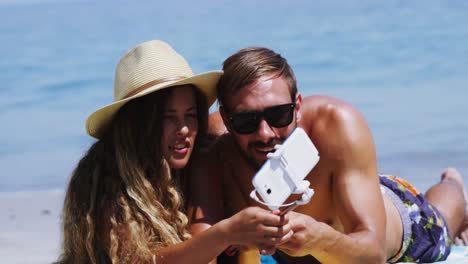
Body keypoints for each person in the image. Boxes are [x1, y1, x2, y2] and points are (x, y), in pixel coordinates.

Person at [188, 46, 468, 263]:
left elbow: (374, 255)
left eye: (278, 114)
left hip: (402, 223)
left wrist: (320, 240)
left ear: (297, 106)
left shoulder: (336, 123)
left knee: (443, 216)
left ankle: (453, 182)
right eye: (246, 121)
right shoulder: (217, 147)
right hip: (350, 190)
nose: (265, 133)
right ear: (225, 116)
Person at [55, 40, 292, 264]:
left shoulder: (196, 157)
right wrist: (224, 234)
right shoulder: (106, 180)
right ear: (137, 122)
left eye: (190, 114)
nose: (185, 129)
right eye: (167, 118)